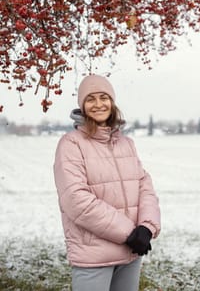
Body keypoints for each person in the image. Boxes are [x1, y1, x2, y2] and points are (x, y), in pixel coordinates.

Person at [53, 74, 161, 291]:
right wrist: (128, 233)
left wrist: (147, 228)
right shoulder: (71, 144)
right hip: (93, 256)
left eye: (104, 97)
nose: (98, 104)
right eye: (91, 99)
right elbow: (77, 200)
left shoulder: (125, 143)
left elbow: (144, 185)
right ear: (82, 106)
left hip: (131, 253)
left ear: (112, 102)